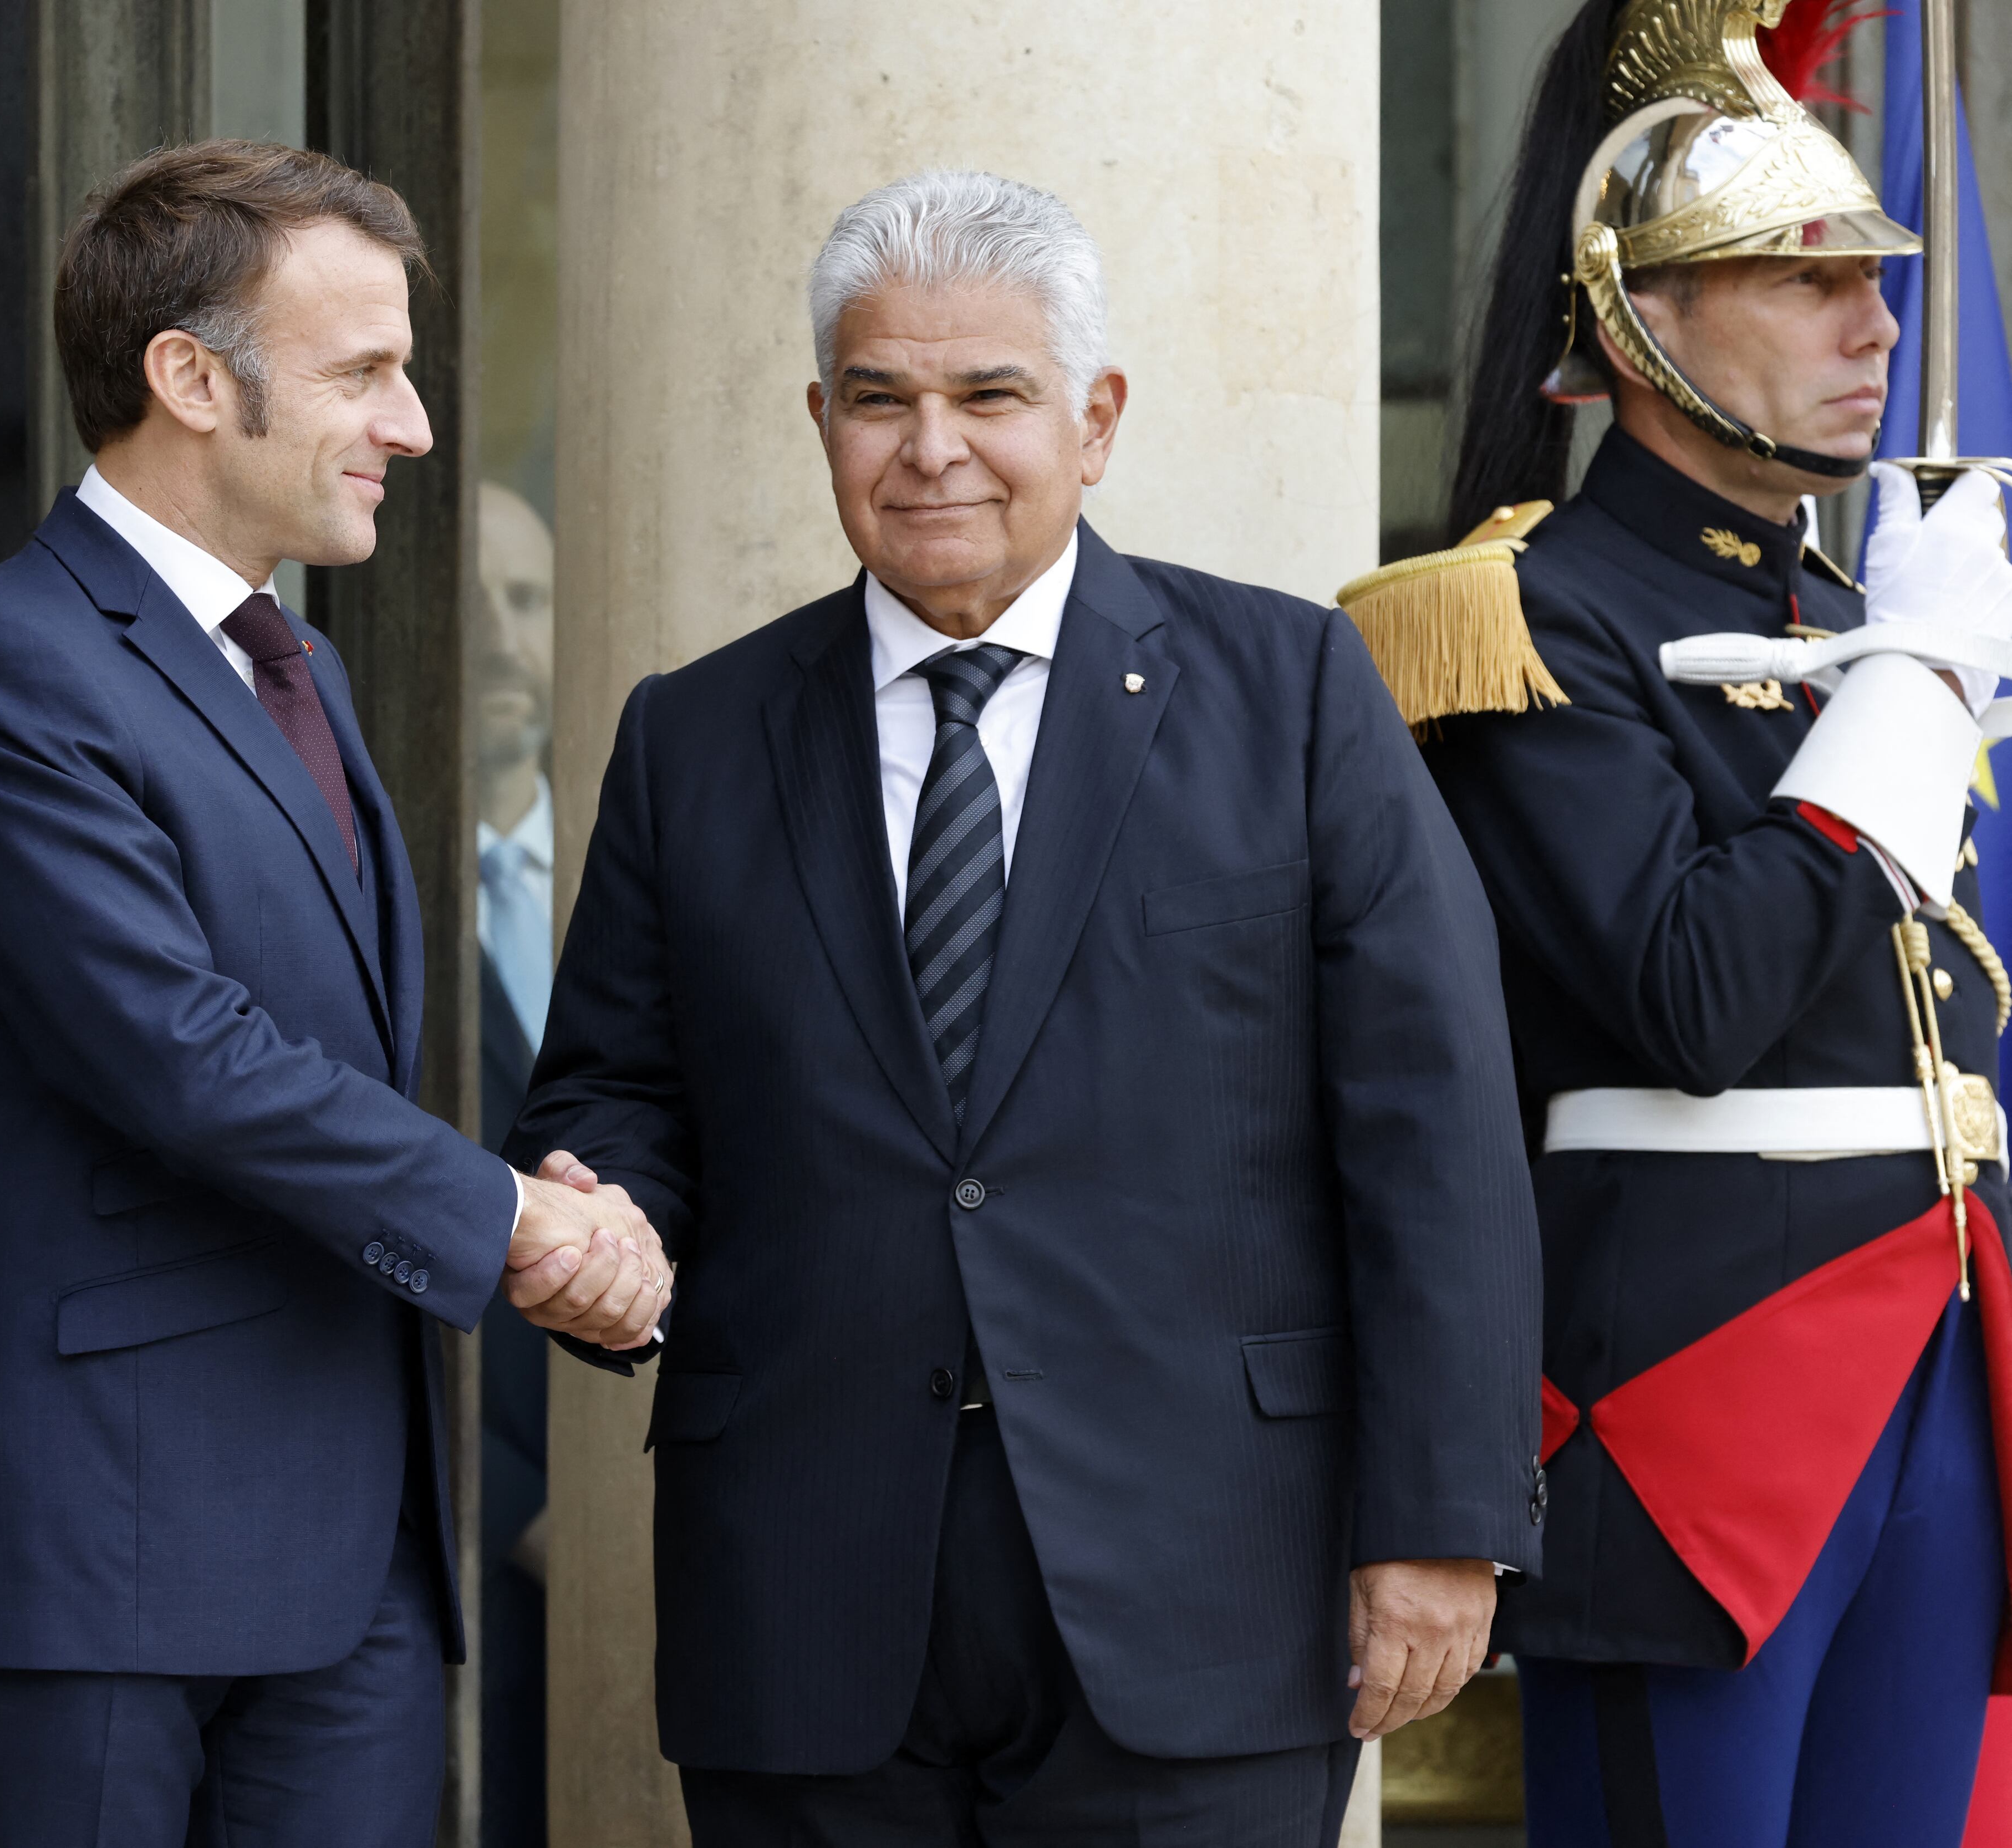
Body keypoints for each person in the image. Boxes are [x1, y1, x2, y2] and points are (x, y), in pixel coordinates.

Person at [506, 168, 1544, 1845]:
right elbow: (617, 1088)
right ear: (820, 419)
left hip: (1208, 1578)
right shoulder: (694, 734)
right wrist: (593, 1208)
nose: (932, 448)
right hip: (807, 1584)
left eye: (989, 393)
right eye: (879, 399)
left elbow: (1434, 1129)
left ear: (1096, 417)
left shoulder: (1290, 692)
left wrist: (1442, 1522)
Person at [0, 140, 669, 1847]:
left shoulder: (305, 668)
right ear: (190, 379)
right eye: (367, 371)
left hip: (348, 1562)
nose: (417, 424)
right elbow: (180, 1051)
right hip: (84, 1557)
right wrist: (519, 1215)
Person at [1376, 2, 2012, 1841]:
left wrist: (1893, 655)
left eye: (1874, 282)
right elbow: (1698, 995)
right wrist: (1916, 687)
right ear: (1644, 322)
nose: (1874, 329)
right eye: (1802, 284)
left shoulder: (1859, 611)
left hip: (1941, 1355)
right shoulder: (1524, 615)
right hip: (1696, 1400)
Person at [473, 478, 558, 1848]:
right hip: (467, 1554)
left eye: (529, 597)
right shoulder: (371, 887)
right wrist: (523, 1507)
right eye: (475, 595)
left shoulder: (643, 861)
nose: (497, 635)